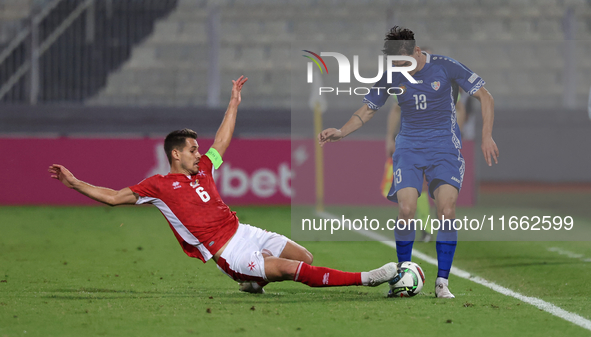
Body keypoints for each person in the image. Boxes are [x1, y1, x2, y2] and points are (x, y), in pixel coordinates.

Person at [48, 76, 398, 294]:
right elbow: (112, 197)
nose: (199, 153)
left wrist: (233, 104)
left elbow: (222, 143)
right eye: (191, 149)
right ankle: (366, 278)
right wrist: (74, 182)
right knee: (292, 270)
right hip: (229, 251)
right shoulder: (157, 186)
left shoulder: (203, 169)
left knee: (304, 256)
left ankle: (255, 280)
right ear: (174, 154)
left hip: (244, 230)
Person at [318, 27, 498, 298]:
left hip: (444, 149)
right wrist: (342, 131)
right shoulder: (391, 75)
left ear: (417, 52)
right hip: (409, 149)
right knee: (406, 210)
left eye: (405, 62)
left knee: (446, 212)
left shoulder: (445, 66)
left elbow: (485, 96)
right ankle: (403, 272)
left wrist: (486, 136)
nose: (401, 68)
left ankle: (442, 282)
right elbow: (367, 110)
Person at [382, 47, 467, 243]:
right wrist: (390, 136)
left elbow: (460, 108)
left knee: (441, 190)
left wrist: (455, 133)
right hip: (413, 143)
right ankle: (426, 227)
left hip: (440, 144)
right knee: (415, 186)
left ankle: (436, 226)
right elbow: (395, 110)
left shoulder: (445, 84)